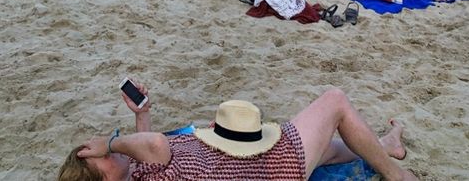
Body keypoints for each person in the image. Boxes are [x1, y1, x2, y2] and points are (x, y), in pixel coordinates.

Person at [60, 81, 417, 181]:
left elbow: (148, 150)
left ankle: (385, 146)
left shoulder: (133, 172)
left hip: (248, 159)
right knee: (335, 100)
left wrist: (143, 114)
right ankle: (397, 175)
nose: (111, 152)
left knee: (325, 151)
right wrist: (109, 140)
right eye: (104, 159)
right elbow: (153, 145)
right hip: (265, 168)